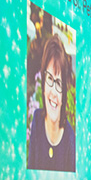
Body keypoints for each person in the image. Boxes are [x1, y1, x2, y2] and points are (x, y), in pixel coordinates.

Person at [28, 34, 75, 172]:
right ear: (43, 86)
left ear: (64, 94)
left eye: (59, 83)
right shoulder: (37, 119)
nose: (54, 91)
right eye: (49, 78)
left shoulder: (70, 139)